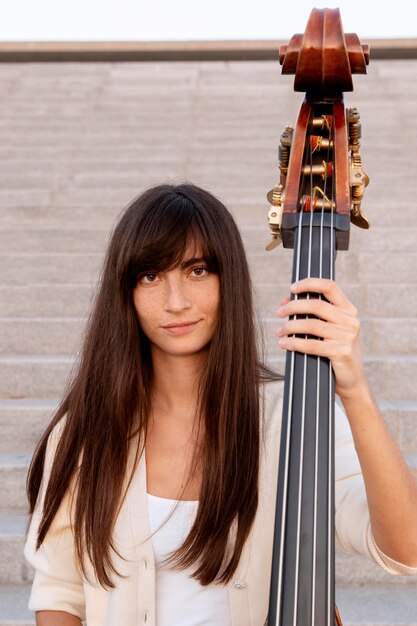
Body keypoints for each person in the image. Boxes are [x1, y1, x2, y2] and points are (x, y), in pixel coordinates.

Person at [25, 183, 417, 626]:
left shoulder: (293, 418)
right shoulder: (85, 432)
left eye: (197, 271)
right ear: (126, 292)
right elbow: (59, 594)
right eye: (151, 276)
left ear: (227, 278)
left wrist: (354, 388)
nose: (177, 303)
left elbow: (406, 551)